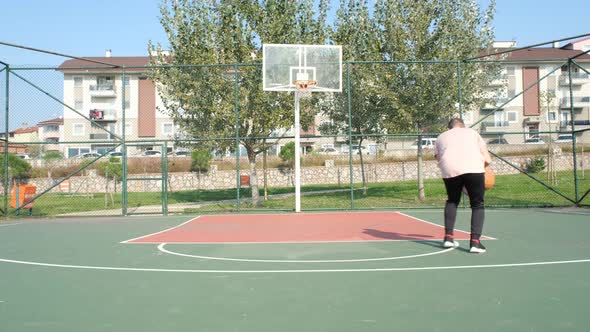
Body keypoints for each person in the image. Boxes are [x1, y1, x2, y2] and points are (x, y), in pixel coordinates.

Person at [434, 118, 492, 253]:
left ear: (449, 128)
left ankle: (448, 238)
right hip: (473, 169)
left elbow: (438, 158)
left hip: (450, 169)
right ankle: (475, 243)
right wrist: (482, 170)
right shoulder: (473, 133)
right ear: (463, 126)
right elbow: (487, 158)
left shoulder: (441, 137)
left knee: (452, 200)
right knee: (477, 204)